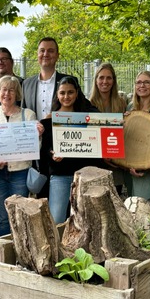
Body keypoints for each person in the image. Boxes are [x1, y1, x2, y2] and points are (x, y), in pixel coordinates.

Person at [0, 75, 40, 236]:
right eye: (4, 89)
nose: (7, 94)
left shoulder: (28, 115)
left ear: (17, 94)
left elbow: (35, 149)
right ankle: (4, 255)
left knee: (19, 215)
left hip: (20, 173)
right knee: (2, 218)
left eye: (11, 90)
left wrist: (38, 136)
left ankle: (22, 255)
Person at [39, 76, 99, 224]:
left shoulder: (87, 118)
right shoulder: (49, 119)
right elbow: (45, 150)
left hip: (84, 175)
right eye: (62, 93)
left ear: (77, 93)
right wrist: (52, 154)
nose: (66, 97)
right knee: (57, 219)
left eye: (70, 92)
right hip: (60, 175)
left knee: (84, 221)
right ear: (57, 95)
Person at [123, 71, 150, 200]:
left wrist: (144, 166)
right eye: (139, 82)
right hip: (130, 165)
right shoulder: (130, 107)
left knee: (147, 205)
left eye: (147, 82)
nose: (142, 85)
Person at [22, 37, 83, 120]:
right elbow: (22, 115)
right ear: (37, 54)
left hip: (62, 132)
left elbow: (84, 108)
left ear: (57, 55)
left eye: (50, 51)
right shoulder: (27, 84)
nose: (45, 54)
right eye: (42, 50)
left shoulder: (70, 81)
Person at [89, 63, 127, 192]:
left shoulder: (122, 103)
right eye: (101, 78)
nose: (105, 81)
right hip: (96, 163)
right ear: (96, 80)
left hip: (116, 163)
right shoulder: (88, 104)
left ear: (114, 80)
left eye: (109, 78)